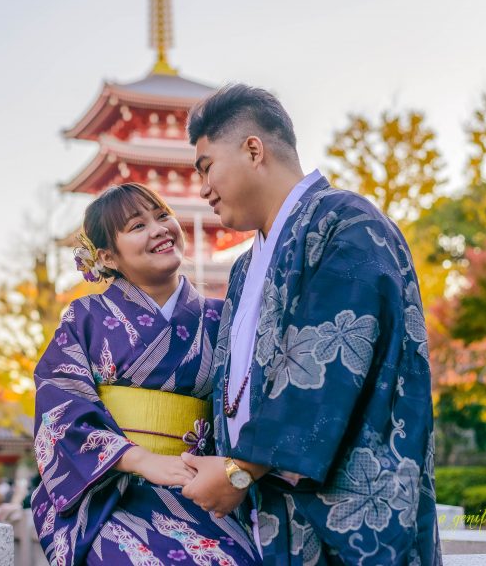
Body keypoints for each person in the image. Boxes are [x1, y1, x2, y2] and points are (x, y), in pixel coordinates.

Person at [180, 84, 441, 565]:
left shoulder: (350, 226)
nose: (202, 189)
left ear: (253, 149)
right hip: (263, 513)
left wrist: (240, 470)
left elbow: (325, 374)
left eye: (206, 166)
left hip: (350, 515)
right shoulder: (242, 271)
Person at [31, 183, 261, 566]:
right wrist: (137, 458)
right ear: (107, 255)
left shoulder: (223, 319)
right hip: (113, 493)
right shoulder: (85, 318)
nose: (159, 229)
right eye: (137, 226)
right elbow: (59, 409)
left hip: (202, 487)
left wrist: (234, 473)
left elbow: (251, 400)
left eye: (162, 216)